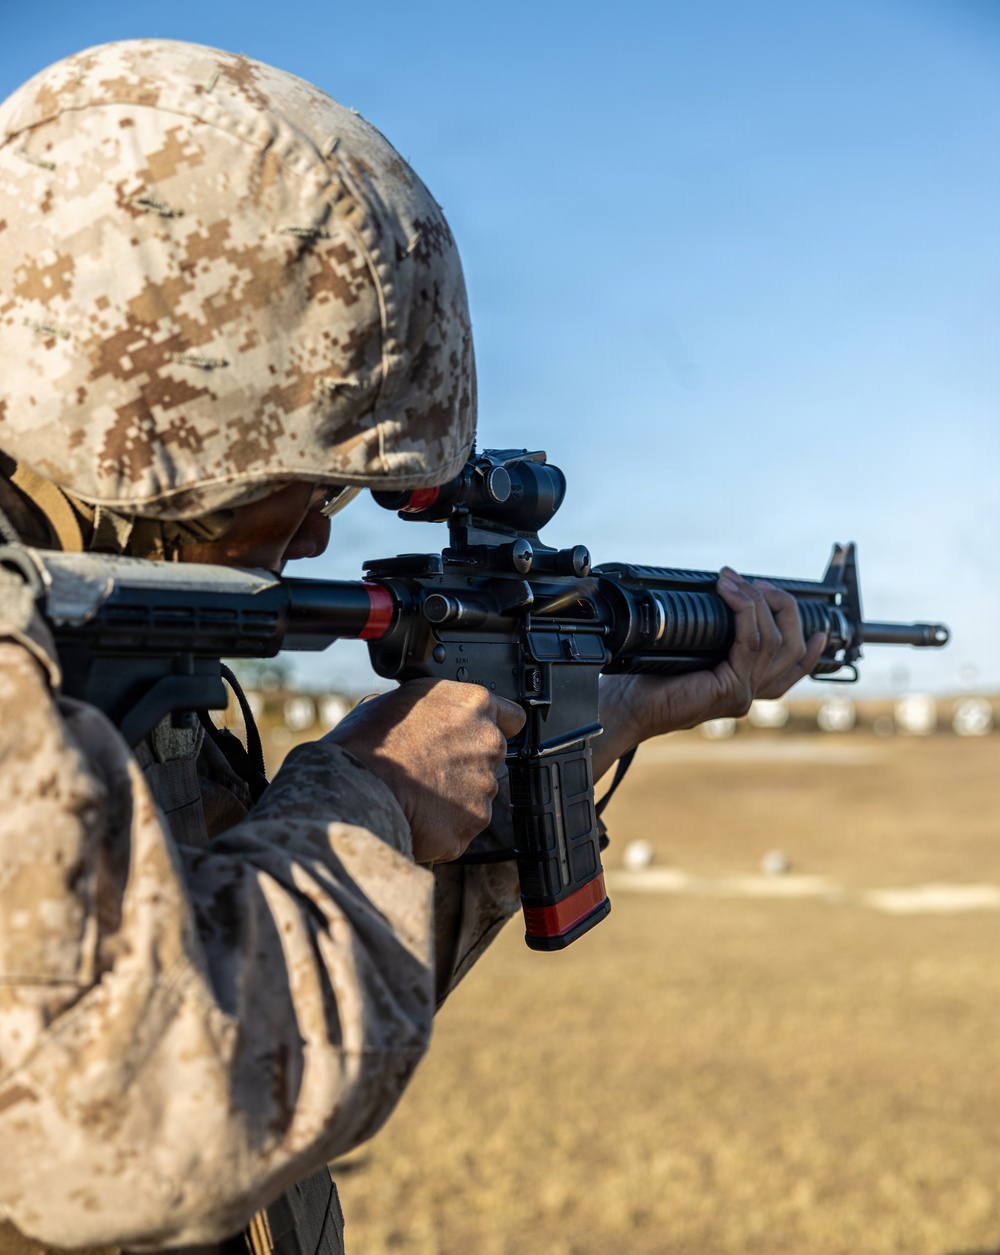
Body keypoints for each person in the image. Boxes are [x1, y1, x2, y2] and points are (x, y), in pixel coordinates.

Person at [0, 39, 826, 1255]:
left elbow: (273, 1027)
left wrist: (601, 714)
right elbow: (123, 1116)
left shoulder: (102, 637)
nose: (323, 523)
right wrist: (373, 790)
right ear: (158, 417)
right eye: (303, 475)